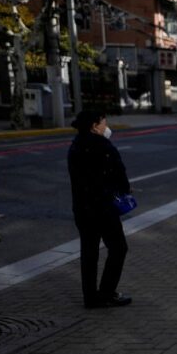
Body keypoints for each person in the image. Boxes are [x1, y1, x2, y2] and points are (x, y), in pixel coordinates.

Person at [67, 110, 132, 308]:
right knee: (118, 248)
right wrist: (124, 190)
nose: (106, 126)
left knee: (89, 253)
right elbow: (119, 175)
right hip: (103, 208)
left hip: (82, 208)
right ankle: (106, 292)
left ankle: (90, 297)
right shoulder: (104, 146)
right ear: (95, 126)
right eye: (104, 122)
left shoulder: (75, 146)